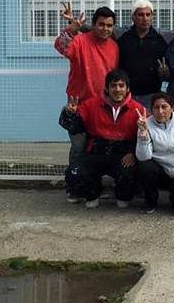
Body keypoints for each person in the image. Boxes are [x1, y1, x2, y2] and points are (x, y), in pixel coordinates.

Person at [54, 4, 119, 202]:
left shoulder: (115, 47)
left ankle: (92, 185)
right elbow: (60, 46)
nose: (105, 29)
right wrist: (72, 28)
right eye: (101, 24)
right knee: (78, 147)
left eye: (109, 25)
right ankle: (73, 187)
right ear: (93, 25)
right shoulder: (81, 40)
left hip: (102, 107)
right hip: (79, 105)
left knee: (97, 148)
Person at [59, 69, 143, 209]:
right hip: (96, 151)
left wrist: (133, 153)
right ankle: (92, 193)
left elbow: (144, 138)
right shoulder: (91, 104)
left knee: (131, 177)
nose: (117, 89)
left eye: (121, 86)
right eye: (113, 85)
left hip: (123, 154)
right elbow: (74, 128)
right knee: (75, 172)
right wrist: (70, 114)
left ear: (127, 88)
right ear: (107, 88)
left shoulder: (137, 109)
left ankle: (123, 195)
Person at [117, 0, 169, 109]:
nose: (145, 18)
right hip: (128, 95)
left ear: (152, 17)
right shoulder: (123, 39)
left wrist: (164, 73)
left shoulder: (160, 40)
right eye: (140, 15)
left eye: (148, 14)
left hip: (151, 95)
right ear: (133, 18)